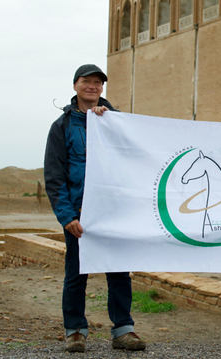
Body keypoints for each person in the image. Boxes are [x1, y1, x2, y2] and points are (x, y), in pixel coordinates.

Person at [44, 64, 146, 353]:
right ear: (75, 85)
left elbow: (135, 159)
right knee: (76, 274)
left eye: (98, 83)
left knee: (119, 272)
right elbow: (54, 176)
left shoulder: (115, 121)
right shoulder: (61, 127)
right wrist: (66, 216)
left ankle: (123, 330)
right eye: (87, 81)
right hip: (80, 212)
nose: (93, 86)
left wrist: (107, 119)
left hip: (114, 211)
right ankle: (75, 330)